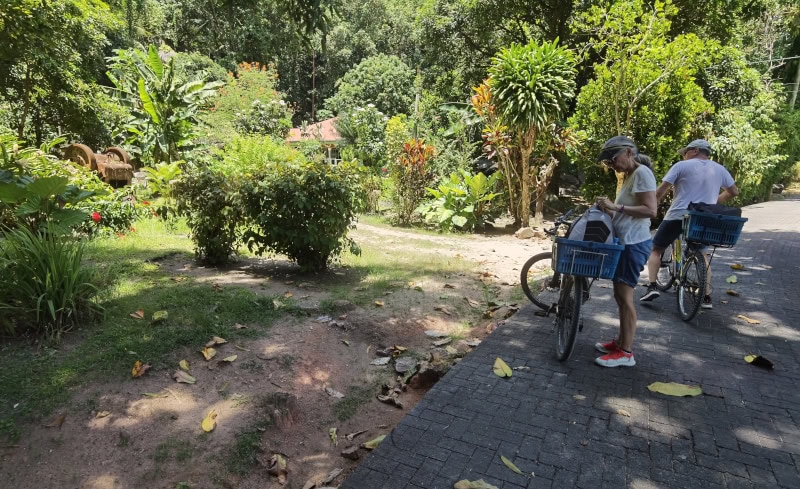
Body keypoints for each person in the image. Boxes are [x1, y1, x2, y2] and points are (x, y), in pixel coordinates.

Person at [639, 139, 739, 308]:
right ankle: (706, 297)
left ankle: (652, 286)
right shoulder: (720, 169)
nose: (684, 155)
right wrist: (714, 203)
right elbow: (734, 192)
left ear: (694, 151)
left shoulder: (681, 166)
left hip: (678, 214)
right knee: (702, 254)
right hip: (703, 218)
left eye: (685, 152)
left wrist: (648, 207)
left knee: (656, 249)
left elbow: (661, 191)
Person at [593, 136, 657, 368]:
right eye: (608, 163)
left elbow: (651, 210)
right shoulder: (630, 176)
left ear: (629, 152)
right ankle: (620, 342)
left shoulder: (642, 174)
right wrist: (609, 209)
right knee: (619, 296)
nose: (612, 165)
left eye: (613, 159)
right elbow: (625, 213)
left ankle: (626, 353)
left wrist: (616, 206)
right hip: (625, 242)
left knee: (626, 297)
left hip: (634, 244)